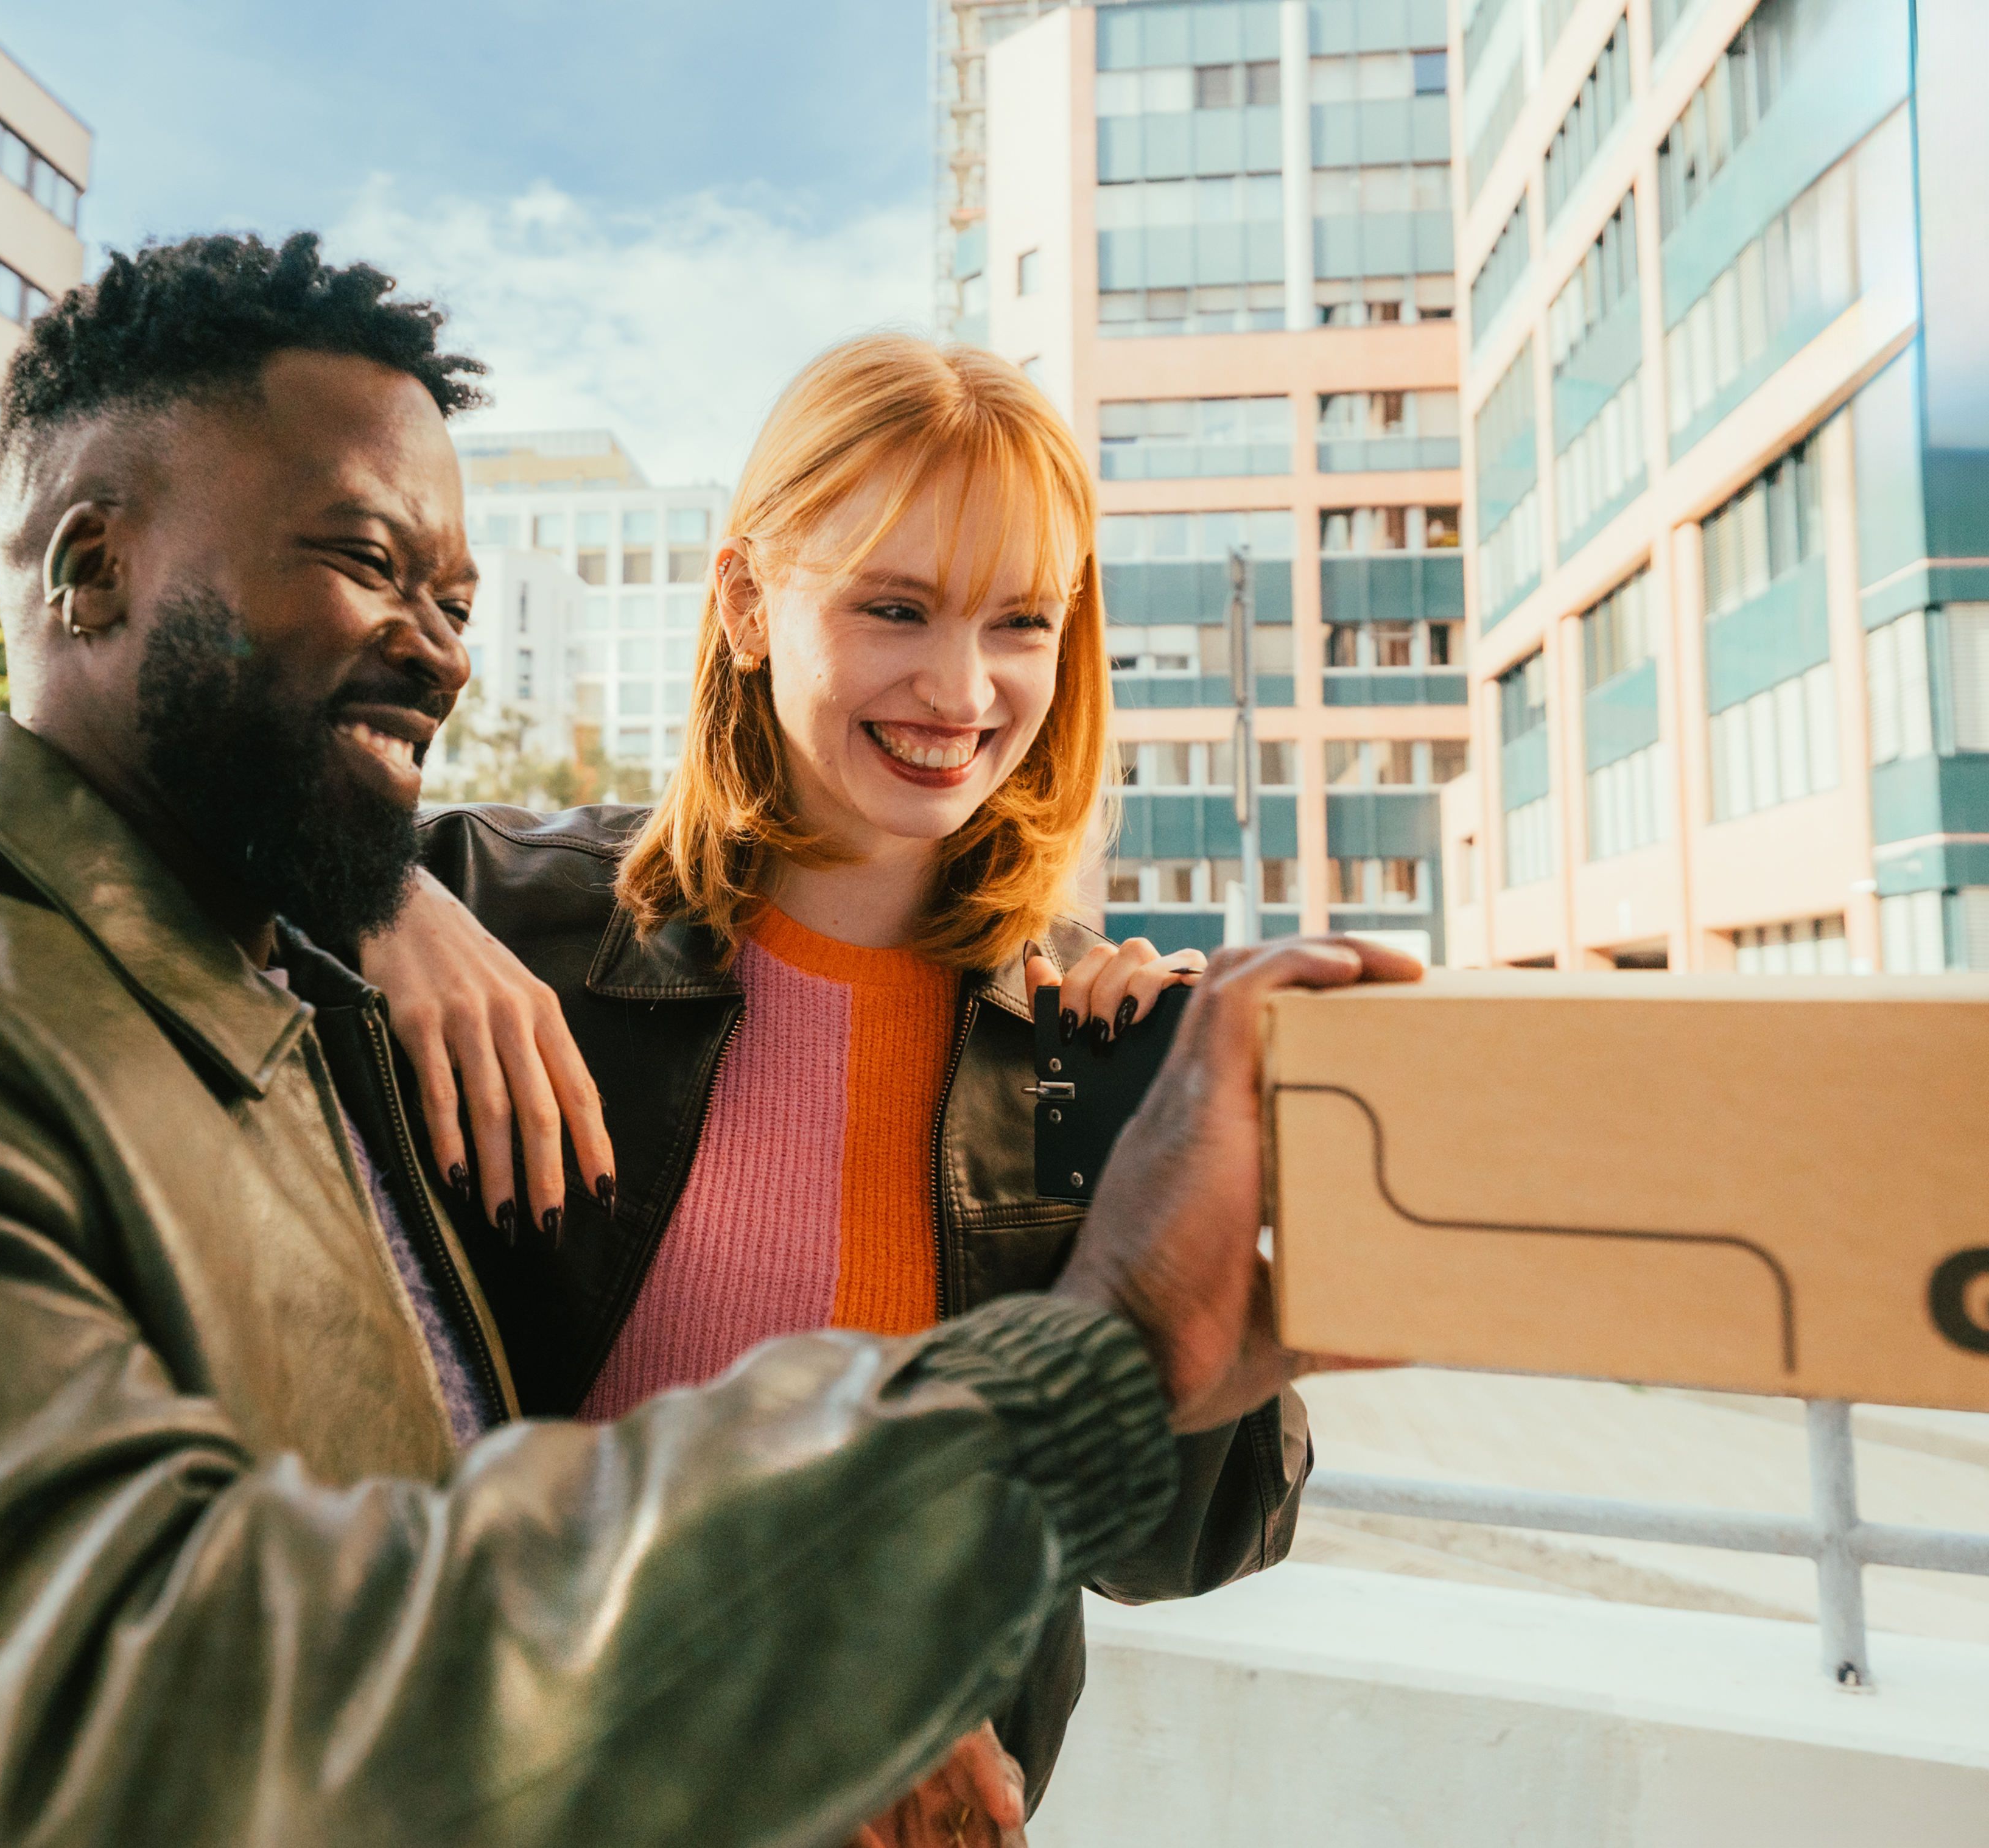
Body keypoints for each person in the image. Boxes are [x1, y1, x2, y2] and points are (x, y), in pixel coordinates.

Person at [0, 233, 1418, 1848]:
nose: (440, 652)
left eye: (454, 596)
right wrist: (829, 1661)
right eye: (368, 561)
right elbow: (141, 1713)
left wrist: (1210, 1282)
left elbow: (381, 1531)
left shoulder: (1075, 1021)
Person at [359, 334, 1302, 1821]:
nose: (961, 686)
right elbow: (107, 843)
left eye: (1019, 622)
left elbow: (1185, 1549)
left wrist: (1208, 1201)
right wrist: (376, 899)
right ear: (743, 602)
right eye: (894, 607)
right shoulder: (491, 908)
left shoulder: (1083, 1039)